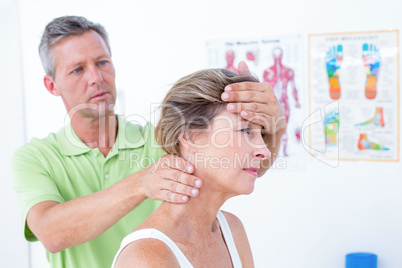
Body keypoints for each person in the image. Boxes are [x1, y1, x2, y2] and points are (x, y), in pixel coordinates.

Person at [11, 16, 285, 268]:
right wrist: (141, 183)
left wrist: (274, 119)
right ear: (51, 85)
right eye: (77, 70)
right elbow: (51, 233)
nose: (96, 78)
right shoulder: (35, 158)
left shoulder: (156, 141)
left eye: (102, 62)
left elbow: (244, 164)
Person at [112, 68, 270, 267]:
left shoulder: (232, 230)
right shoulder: (146, 257)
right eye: (245, 130)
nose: (265, 151)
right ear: (190, 137)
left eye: (261, 134)